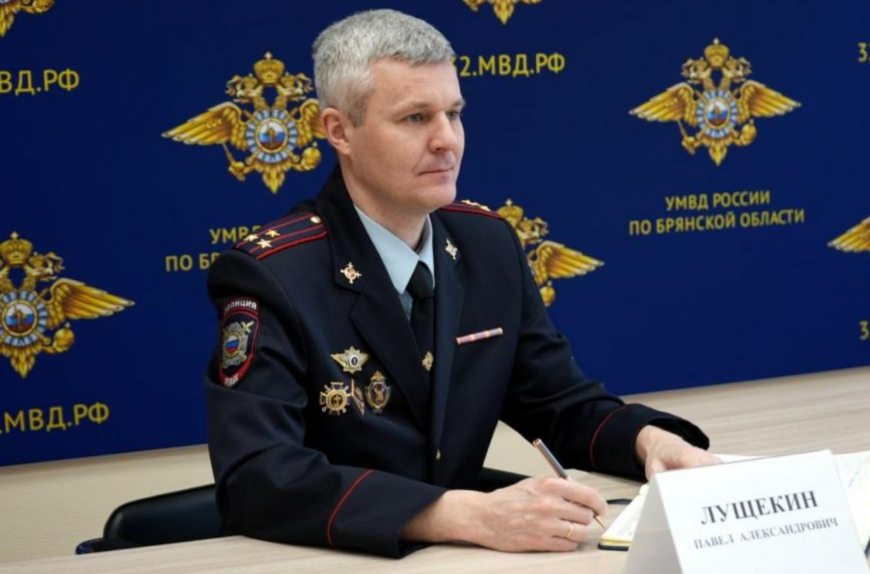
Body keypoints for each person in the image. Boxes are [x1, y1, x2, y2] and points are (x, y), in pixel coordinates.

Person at [204, 8, 718, 558]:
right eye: (415, 118)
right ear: (339, 131)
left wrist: (649, 441)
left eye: (453, 113)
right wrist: (464, 514)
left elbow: (559, 404)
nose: (446, 140)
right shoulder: (273, 273)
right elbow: (259, 476)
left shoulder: (486, 243)